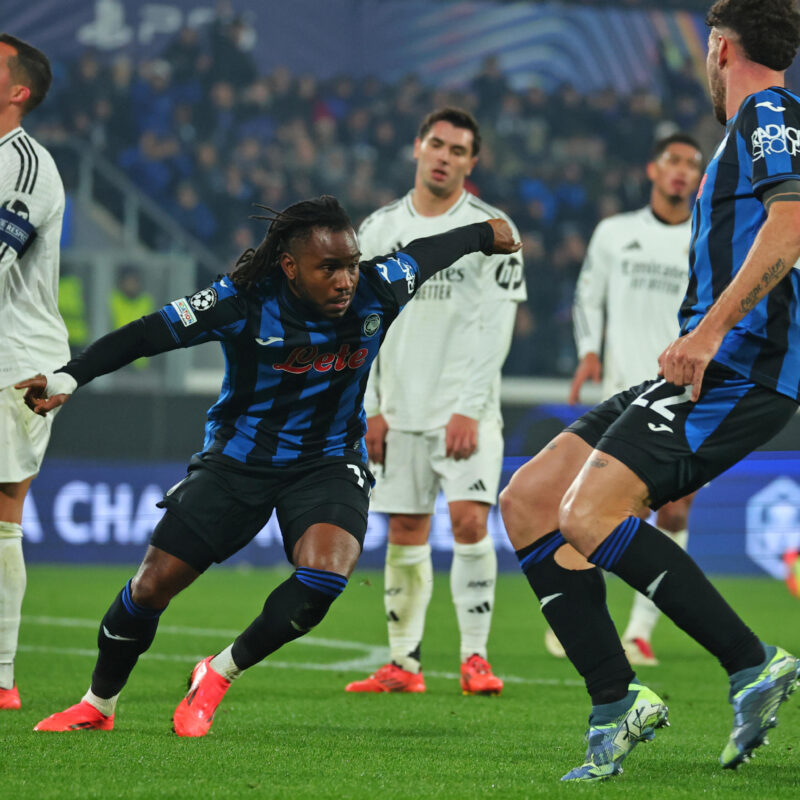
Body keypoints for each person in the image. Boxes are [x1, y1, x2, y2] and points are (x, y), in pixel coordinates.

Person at [18, 196, 520, 736]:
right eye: (329, 268)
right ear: (290, 266)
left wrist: (484, 233)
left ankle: (217, 673)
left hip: (328, 460)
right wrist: (70, 376)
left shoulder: (380, 285)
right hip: (239, 462)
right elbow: (148, 333)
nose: (346, 280)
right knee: (150, 588)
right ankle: (98, 704)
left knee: (325, 576)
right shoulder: (242, 300)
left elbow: (428, 252)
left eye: (351, 264)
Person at [500, 0, 800, 781]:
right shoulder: (753, 125)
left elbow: (793, 224)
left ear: (720, 47)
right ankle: (616, 701)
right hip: (707, 361)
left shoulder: (768, 109)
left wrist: (706, 335)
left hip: (737, 363)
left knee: (590, 515)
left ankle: (751, 662)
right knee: (531, 499)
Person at [344, 108, 525, 696]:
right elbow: (361, 326)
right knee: (404, 528)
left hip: (463, 409)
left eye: (459, 150)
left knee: (470, 521)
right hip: (396, 408)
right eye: (437, 145)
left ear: (472, 163)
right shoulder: (376, 231)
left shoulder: (494, 230)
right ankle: (404, 664)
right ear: (417, 148)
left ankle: (475, 659)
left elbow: (497, 327)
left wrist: (470, 407)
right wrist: (368, 406)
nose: (445, 156)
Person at [545, 133, 704, 667]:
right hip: (621, 388)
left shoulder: (706, 238)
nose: (681, 171)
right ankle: (582, 619)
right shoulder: (615, 233)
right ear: (653, 171)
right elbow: (589, 294)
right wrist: (588, 352)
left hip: (682, 392)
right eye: (673, 161)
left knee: (675, 508)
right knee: (595, 506)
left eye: (691, 164)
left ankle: (640, 630)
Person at [0, 33, 67, 711]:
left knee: (1, 512)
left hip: (14, 360)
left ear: (18, 91)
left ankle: (1, 679)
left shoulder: (24, 168)